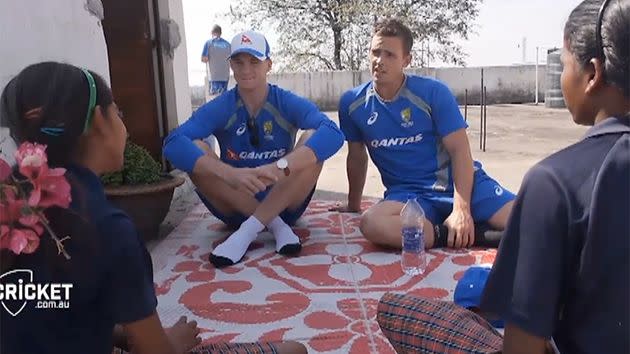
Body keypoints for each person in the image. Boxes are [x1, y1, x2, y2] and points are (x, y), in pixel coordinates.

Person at [0, 62, 308, 354]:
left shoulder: (10, 209)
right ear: (99, 121)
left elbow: (49, 307)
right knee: (294, 350)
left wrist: (120, 334)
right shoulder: (109, 229)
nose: (124, 124)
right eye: (117, 112)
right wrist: (172, 342)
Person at [377, 1, 630, 353]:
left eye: (565, 64)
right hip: (412, 198)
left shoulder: (553, 183)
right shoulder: (359, 104)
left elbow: (522, 346)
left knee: (395, 308)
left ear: (592, 74)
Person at [163, 30, 344, 268]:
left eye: (254, 61)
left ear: (268, 64)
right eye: (239, 62)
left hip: (285, 202)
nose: (246, 69)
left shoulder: (284, 101)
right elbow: (172, 143)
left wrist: (280, 167)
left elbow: (333, 133)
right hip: (234, 206)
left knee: (312, 140)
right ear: (231, 66)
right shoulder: (222, 105)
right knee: (196, 148)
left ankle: (248, 232)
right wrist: (229, 173)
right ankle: (275, 225)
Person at [334, 18, 515, 250]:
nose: (379, 61)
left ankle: (461, 225)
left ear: (406, 60)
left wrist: (461, 209)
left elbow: (460, 150)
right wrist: (353, 204)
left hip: (459, 185)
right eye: (375, 52)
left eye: (390, 54)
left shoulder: (433, 92)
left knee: (532, 221)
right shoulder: (352, 103)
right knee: (371, 223)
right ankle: (461, 235)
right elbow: (357, 156)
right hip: (409, 195)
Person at [201, 24, 231, 97]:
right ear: (220, 33)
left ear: (212, 32)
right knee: (223, 98)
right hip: (225, 77)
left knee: (214, 99)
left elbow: (204, 59)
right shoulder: (228, 44)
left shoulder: (209, 43)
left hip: (213, 77)